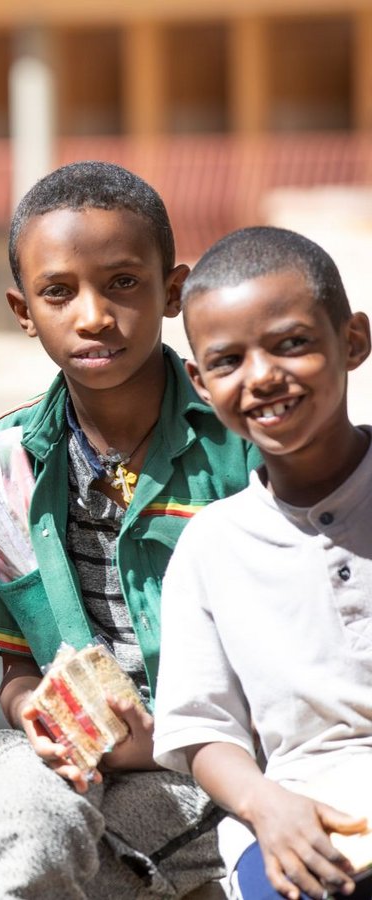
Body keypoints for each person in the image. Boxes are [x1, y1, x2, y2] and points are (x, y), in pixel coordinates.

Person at [0, 161, 260, 900]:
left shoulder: (239, 447)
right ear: (24, 310)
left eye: (122, 283)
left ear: (171, 291)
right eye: (59, 292)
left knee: (131, 856)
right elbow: (17, 667)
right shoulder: (2, 468)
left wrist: (162, 739)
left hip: (213, 749)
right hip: (62, 754)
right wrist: (35, 715)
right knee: (10, 830)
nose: (92, 315)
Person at [153, 227, 372, 900]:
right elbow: (201, 728)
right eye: (227, 361)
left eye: (292, 343)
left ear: (354, 341)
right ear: (200, 381)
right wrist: (265, 805)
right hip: (304, 811)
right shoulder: (212, 546)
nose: (263, 376)